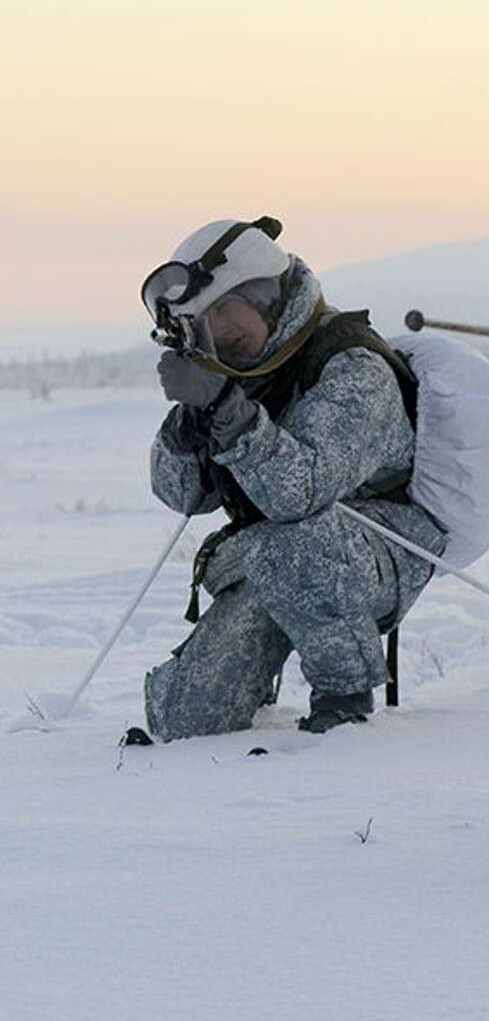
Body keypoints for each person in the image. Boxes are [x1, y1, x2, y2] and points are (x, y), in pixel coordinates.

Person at [133, 217, 443, 740]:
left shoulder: (352, 367)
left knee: (292, 541)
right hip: (275, 554)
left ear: (265, 296)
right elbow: (180, 494)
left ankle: (345, 700)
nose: (219, 336)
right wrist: (190, 425)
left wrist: (229, 415)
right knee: (186, 718)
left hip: (379, 551)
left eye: (225, 314)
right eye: (203, 326)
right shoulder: (238, 373)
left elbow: (297, 493)